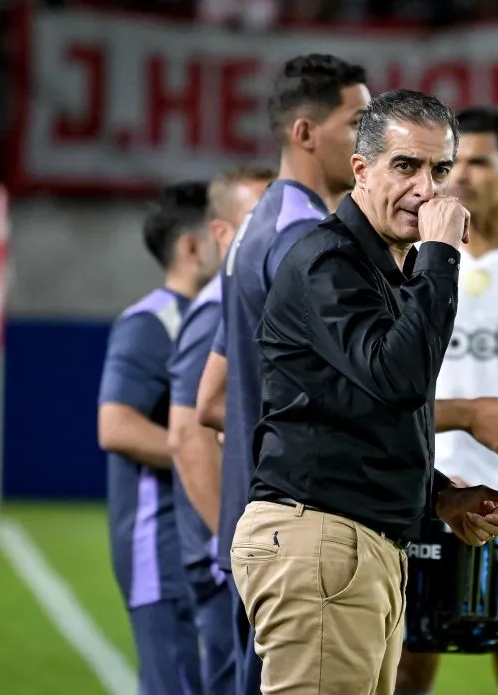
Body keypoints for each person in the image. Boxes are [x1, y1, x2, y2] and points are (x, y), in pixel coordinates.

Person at [230, 88, 498, 695]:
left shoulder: (380, 268)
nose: (426, 188)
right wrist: (441, 254)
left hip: (354, 543)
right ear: (361, 169)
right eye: (405, 165)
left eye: (439, 170)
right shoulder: (329, 261)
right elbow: (401, 378)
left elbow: (360, 410)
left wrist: (438, 496)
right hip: (321, 540)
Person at [194, 53, 371, 695]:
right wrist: (464, 417)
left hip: (260, 527)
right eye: (357, 123)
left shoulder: (259, 225)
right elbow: (351, 388)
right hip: (299, 533)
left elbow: (212, 398)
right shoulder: (305, 239)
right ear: (305, 132)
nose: (370, 141)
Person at [394, 105, 498, 695]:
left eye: (480, 162)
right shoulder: (416, 265)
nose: (463, 177)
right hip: (431, 486)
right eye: (455, 164)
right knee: (407, 659)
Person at [97, 181, 221, 695]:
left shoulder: (221, 315)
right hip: (161, 541)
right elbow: (116, 425)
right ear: (191, 247)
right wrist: (205, 452)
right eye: (221, 230)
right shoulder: (151, 321)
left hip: (202, 536)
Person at [168, 164, 275, 695]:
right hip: (233, 561)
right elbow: (188, 434)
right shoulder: (219, 308)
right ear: (221, 232)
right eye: (259, 217)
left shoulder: (248, 297)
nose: (274, 232)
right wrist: (236, 549)